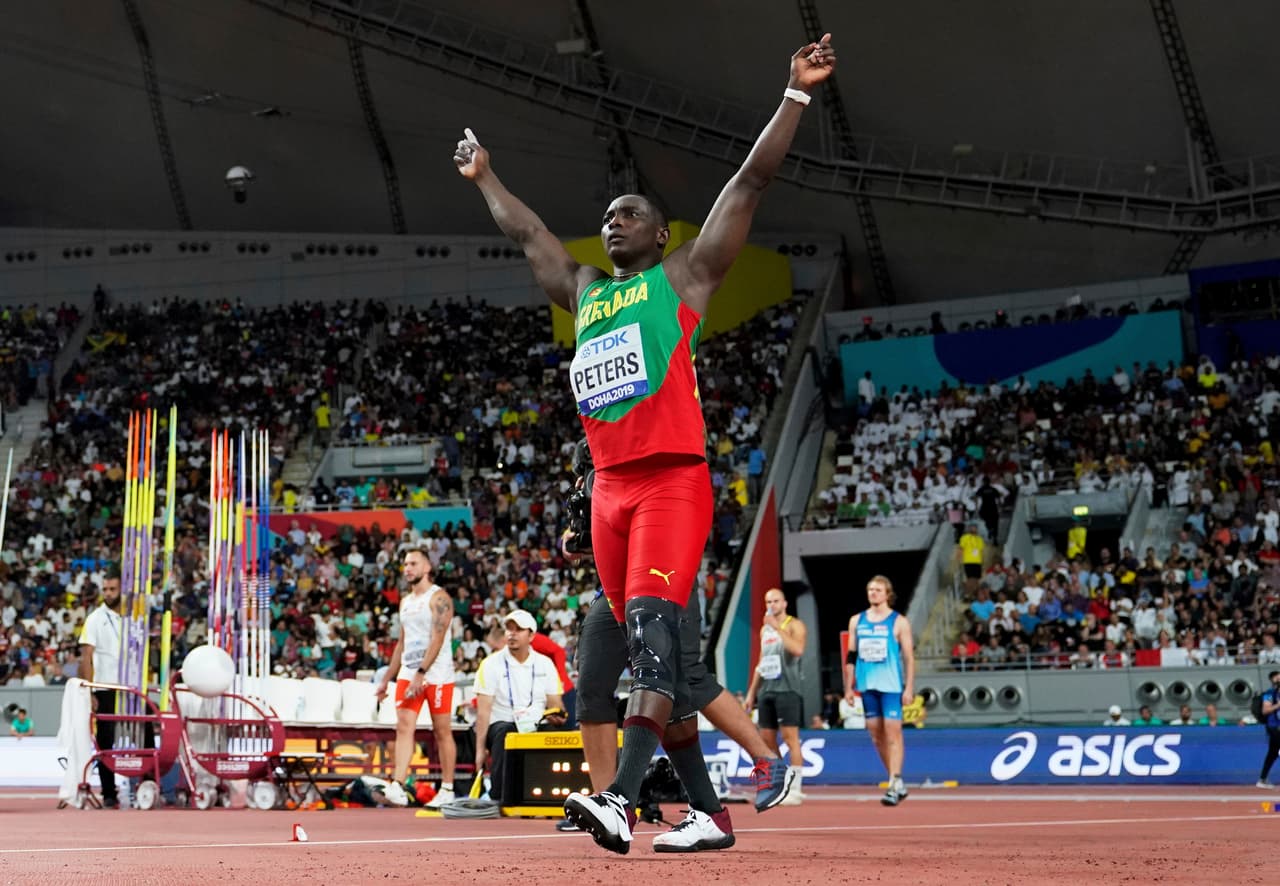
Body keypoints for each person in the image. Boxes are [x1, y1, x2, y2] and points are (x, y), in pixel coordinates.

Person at [456, 32, 835, 854]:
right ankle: (708, 812)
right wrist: (487, 178)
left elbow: (751, 181)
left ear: (663, 238)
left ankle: (620, 798)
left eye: (629, 214)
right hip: (608, 490)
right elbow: (530, 238)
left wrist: (796, 94)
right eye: (606, 216)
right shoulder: (587, 292)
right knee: (659, 660)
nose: (612, 221)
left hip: (669, 482)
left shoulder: (683, 279)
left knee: (657, 641)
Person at [374, 548, 457, 808]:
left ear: (427, 568)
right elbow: (402, 642)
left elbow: (438, 638)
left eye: (413, 563)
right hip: (409, 672)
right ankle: (398, 784)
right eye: (405, 564)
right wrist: (387, 678)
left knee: (441, 731)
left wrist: (422, 674)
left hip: (436, 673)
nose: (407, 568)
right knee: (403, 726)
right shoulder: (405, 602)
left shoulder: (439, 598)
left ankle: (447, 787)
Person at [472, 610, 565, 803]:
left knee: (556, 732)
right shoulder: (490, 664)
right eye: (509, 629)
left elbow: (555, 702)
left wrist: (558, 715)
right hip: (503, 722)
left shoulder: (545, 664)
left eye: (519, 629)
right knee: (505, 731)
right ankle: (499, 795)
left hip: (535, 721)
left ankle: (551, 796)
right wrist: (480, 750)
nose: (511, 634)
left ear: (531, 635)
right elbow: (483, 712)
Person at [844, 574, 915, 807]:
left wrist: (909, 687)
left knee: (893, 732)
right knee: (876, 735)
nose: (873, 593)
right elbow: (851, 655)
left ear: (888, 594)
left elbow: (908, 657)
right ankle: (897, 780)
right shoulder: (857, 620)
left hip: (892, 686)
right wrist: (848, 687)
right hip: (867, 686)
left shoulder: (899, 621)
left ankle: (894, 782)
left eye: (878, 589)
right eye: (870, 589)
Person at [744, 587, 808, 805]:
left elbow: (798, 650)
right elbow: (761, 663)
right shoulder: (764, 631)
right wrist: (752, 693)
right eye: (768, 601)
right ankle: (785, 783)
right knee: (768, 740)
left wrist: (777, 628)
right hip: (767, 690)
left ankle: (797, 790)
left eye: (775, 601)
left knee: (791, 740)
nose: (771, 605)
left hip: (788, 690)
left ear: (785, 603)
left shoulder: (794, 625)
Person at [79, 569, 125, 809]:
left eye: (112, 589)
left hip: (130, 687)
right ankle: (109, 792)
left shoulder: (133, 617)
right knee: (106, 740)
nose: (107, 594)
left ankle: (148, 783)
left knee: (146, 733)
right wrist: (90, 691)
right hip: (105, 687)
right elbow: (86, 656)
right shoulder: (95, 618)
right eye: (105, 589)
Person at [1256, 671, 1280, 788]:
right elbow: (1265, 710)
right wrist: (1278, 705)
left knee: (1273, 753)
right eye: (1277, 676)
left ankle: (1262, 779)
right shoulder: (1269, 694)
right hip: (1274, 727)